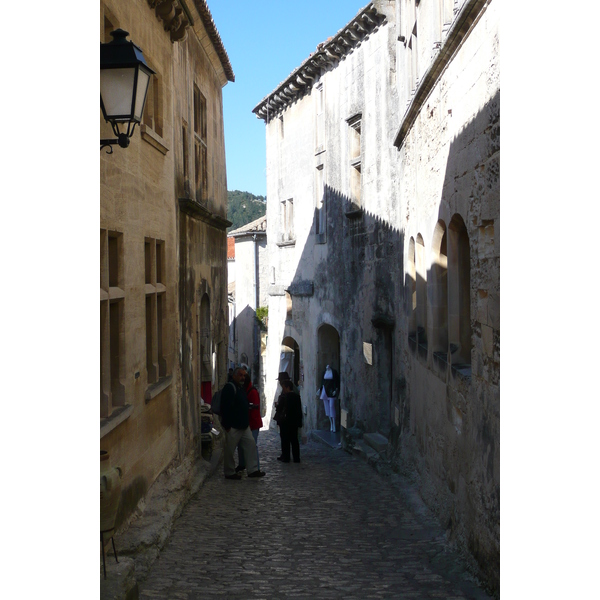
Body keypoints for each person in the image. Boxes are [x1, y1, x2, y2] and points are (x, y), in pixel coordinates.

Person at [220, 367, 266, 480]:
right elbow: (225, 407)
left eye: (244, 375)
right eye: (240, 375)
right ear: (234, 375)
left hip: (244, 426)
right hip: (233, 426)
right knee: (230, 450)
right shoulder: (230, 388)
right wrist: (227, 426)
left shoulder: (240, 388)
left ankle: (253, 470)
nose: (243, 377)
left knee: (251, 446)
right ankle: (229, 472)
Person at [235, 373, 263, 473]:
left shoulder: (252, 392)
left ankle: (256, 468)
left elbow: (254, 410)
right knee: (241, 445)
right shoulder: (244, 390)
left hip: (252, 424)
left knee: (252, 446)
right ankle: (242, 464)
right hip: (245, 424)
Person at [277, 379, 303, 463]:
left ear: (288, 387)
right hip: (294, 422)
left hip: (285, 422)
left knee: (285, 440)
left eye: (284, 388)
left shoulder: (285, 397)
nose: (283, 390)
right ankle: (296, 458)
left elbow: (280, 408)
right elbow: (299, 410)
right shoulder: (296, 396)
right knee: (294, 440)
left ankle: (286, 457)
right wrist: (299, 422)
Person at [318, 365, 340, 432]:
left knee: (331, 406)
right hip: (325, 390)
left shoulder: (334, 372)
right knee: (327, 407)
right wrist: (320, 389)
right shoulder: (324, 372)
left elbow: (337, 381)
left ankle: (334, 424)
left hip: (331, 390)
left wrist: (336, 389)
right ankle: (331, 424)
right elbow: (322, 382)